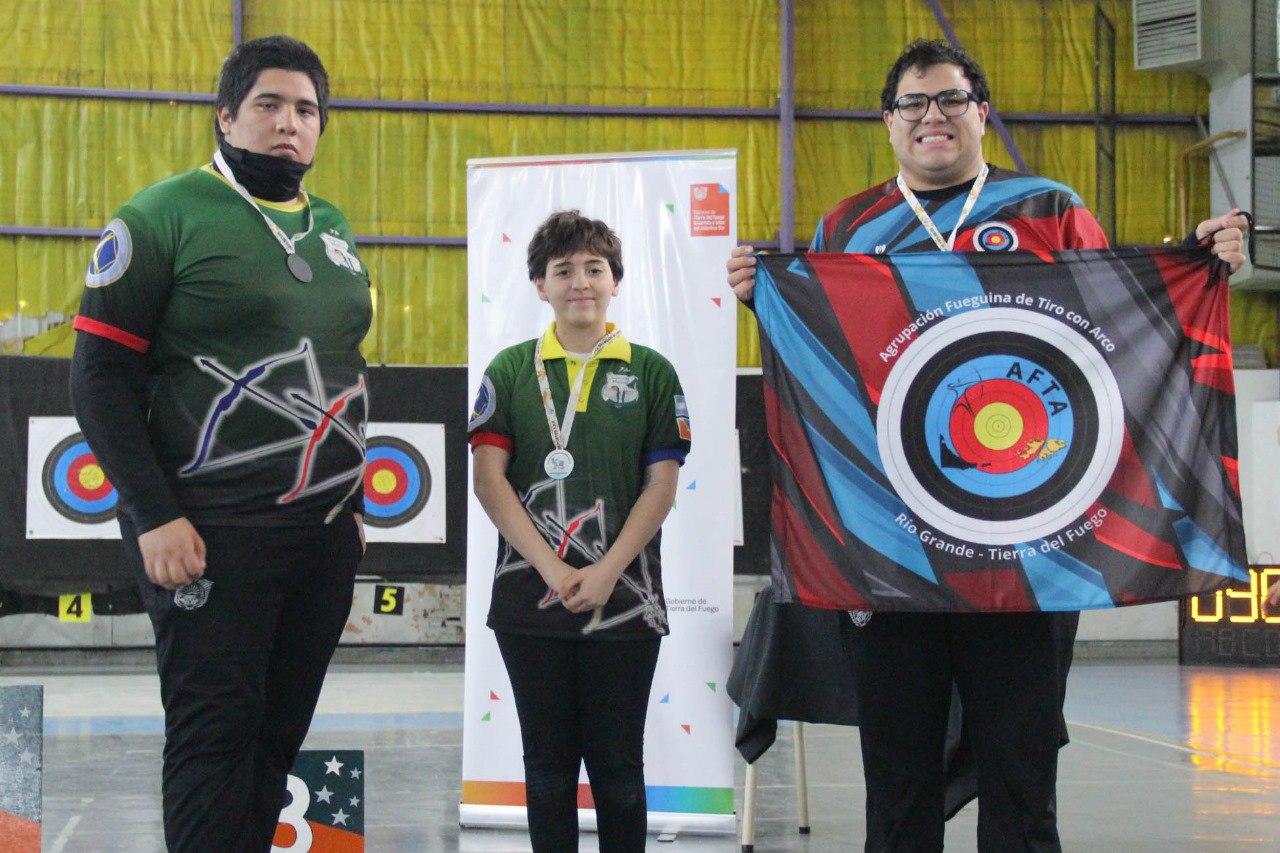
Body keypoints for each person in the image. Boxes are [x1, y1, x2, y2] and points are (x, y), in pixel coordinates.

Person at [727, 39, 1248, 852]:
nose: (931, 116)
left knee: (1021, 781)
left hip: (1030, 552)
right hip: (892, 551)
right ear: (888, 121)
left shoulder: (1048, 208)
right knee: (897, 786)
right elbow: (831, 362)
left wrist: (1197, 256)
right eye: (913, 102)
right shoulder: (847, 227)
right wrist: (766, 297)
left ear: (982, 113)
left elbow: (1117, 321)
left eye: (950, 99)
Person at [69, 35, 370, 852]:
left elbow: (342, 367)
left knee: (276, 740)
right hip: (208, 535)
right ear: (227, 116)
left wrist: (352, 506)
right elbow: (97, 379)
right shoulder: (160, 216)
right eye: (269, 104)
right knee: (214, 738)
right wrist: (152, 514)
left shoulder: (334, 229)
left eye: (306, 109)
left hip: (320, 541)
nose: (289, 123)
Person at [468, 211, 690, 851]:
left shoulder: (652, 372)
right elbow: (489, 482)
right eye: (563, 271)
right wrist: (556, 570)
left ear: (616, 280)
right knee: (546, 767)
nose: (580, 282)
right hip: (530, 600)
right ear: (540, 285)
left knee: (618, 768)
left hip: (626, 601)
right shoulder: (510, 369)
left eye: (594, 268)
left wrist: (606, 571)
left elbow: (661, 487)